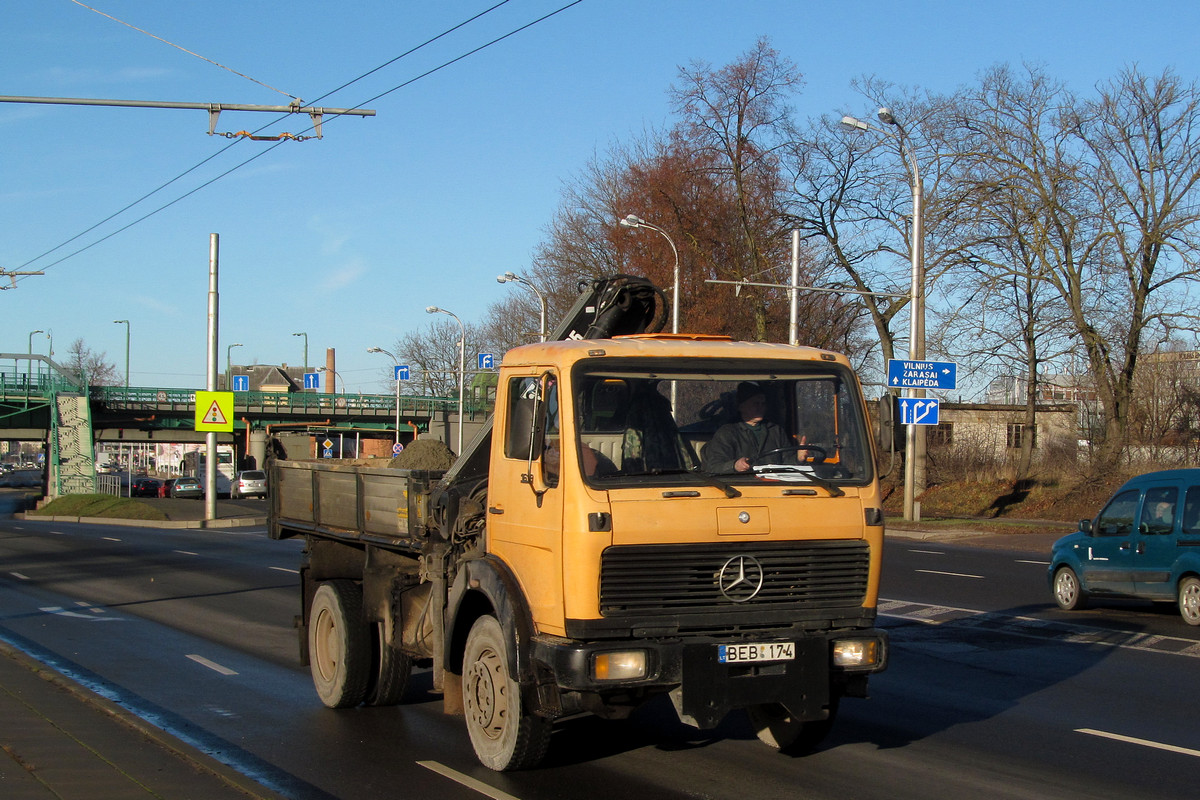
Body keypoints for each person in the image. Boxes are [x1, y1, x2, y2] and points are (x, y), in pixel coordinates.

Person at [701, 382, 797, 474]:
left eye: (762, 404)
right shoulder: (726, 433)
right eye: (755, 404)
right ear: (741, 407)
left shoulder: (775, 430)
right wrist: (734, 466)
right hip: (741, 486)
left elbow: (787, 461)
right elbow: (713, 467)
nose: (760, 407)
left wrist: (799, 458)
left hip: (773, 485)